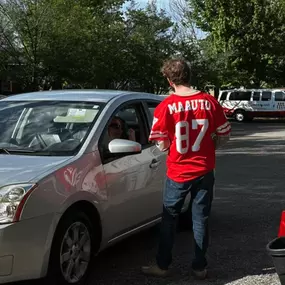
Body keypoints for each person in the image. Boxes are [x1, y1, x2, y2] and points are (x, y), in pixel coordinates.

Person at [142, 58, 231, 279]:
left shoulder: (165, 107)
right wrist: (211, 146)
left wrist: (170, 147)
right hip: (204, 169)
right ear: (189, 75)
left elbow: (161, 143)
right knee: (201, 219)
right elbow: (224, 133)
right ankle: (199, 267)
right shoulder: (209, 102)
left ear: (168, 79)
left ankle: (162, 266)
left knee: (169, 219)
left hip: (178, 171)